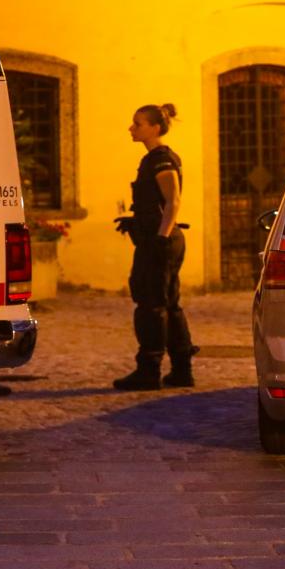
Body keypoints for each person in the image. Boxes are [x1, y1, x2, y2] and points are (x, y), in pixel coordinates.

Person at [112, 103, 196, 391]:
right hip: (159, 237)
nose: (131, 128)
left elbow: (173, 201)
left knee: (151, 306)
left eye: (138, 124)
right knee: (167, 304)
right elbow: (158, 204)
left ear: (155, 128)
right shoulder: (154, 158)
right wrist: (136, 222)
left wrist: (160, 236)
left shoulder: (161, 159)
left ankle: (149, 370)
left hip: (161, 241)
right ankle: (181, 370)